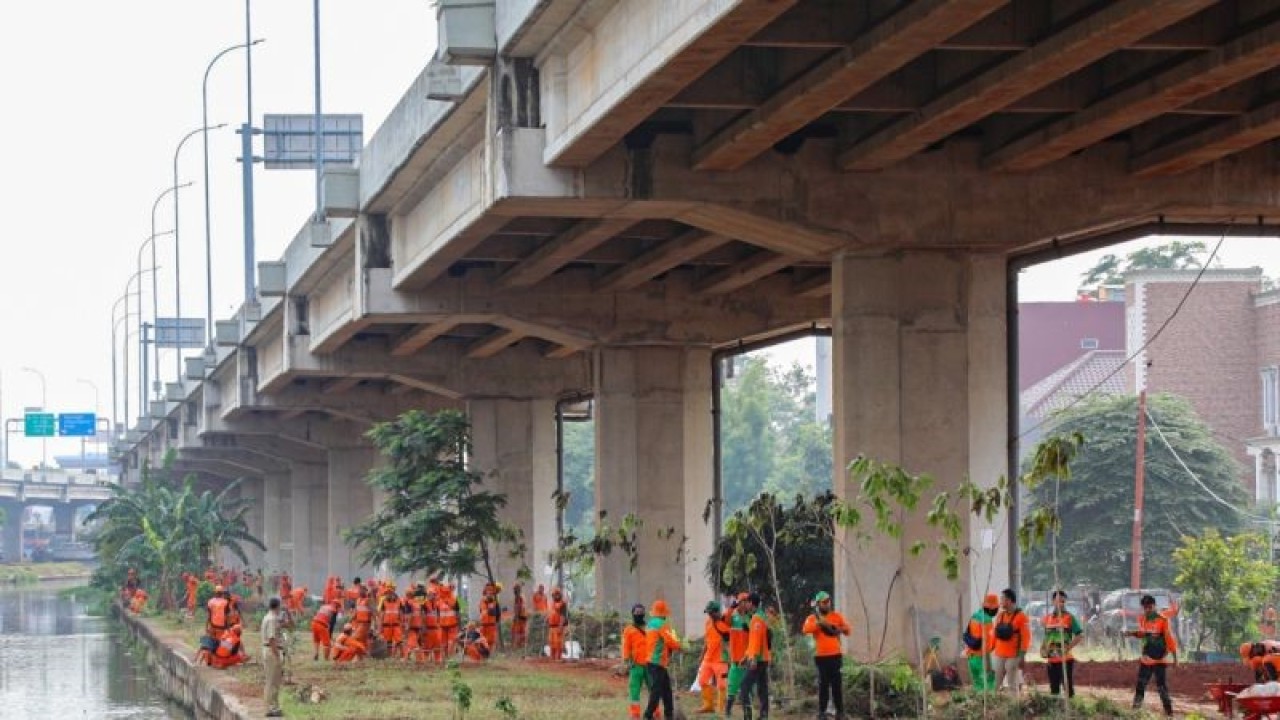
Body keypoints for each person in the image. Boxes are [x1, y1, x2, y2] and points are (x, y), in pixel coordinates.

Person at [802, 590, 851, 719]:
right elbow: (806, 629)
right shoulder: (812, 618)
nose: (827, 604)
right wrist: (819, 623)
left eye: (828, 601)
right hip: (821, 657)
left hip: (836, 656)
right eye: (824, 602)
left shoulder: (836, 616)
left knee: (837, 685)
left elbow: (848, 630)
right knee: (823, 685)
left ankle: (840, 712)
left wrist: (834, 627)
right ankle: (822, 712)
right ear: (818, 604)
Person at [1129, 593, 1177, 717]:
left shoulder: (1162, 619)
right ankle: (1135, 712)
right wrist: (1132, 633)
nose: (1147, 609)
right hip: (1146, 658)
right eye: (1145, 607)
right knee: (1140, 685)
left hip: (1159, 660)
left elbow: (1169, 638)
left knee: (1162, 687)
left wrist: (1175, 658)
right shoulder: (1142, 619)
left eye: (1150, 607)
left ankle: (1169, 714)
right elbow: (1144, 634)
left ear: (1154, 606)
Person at [642, 599, 681, 720]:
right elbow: (670, 641)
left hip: (652, 661)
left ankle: (669, 714)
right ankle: (648, 715)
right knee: (657, 690)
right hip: (657, 661)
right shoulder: (662, 625)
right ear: (664, 614)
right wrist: (679, 646)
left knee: (666, 689)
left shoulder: (650, 624)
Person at [1041, 589, 1084, 698]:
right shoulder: (1047, 619)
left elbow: (1080, 635)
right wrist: (1044, 648)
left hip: (1065, 659)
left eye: (1063, 602)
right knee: (1054, 688)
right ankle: (1056, 710)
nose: (1061, 604)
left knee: (1067, 687)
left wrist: (1068, 648)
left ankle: (1071, 709)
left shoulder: (1069, 618)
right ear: (1053, 601)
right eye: (1058, 601)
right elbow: (1047, 637)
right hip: (1051, 659)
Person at [738, 592, 771, 720]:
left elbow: (756, 642)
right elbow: (754, 642)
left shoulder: (757, 619)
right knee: (762, 688)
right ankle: (764, 716)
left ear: (751, 603)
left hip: (758, 659)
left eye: (746, 602)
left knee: (744, 687)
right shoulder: (759, 617)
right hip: (761, 658)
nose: (744, 605)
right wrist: (746, 657)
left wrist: (753, 659)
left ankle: (748, 717)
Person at [990, 588, 1029, 694]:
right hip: (999, 653)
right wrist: (990, 648)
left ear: (1009, 600)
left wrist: (1022, 655)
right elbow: (994, 633)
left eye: (1002, 599)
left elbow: (1026, 637)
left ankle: (1014, 705)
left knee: (1011, 680)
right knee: (996, 680)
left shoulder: (1022, 617)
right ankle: (992, 700)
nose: (1000, 601)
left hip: (1014, 654)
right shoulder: (1000, 616)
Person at [696, 600, 731, 714]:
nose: (710, 615)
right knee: (702, 681)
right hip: (708, 658)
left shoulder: (724, 625)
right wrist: (702, 656)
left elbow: (730, 640)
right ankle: (708, 705)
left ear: (717, 612)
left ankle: (720, 709)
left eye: (711, 613)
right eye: (708, 613)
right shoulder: (708, 623)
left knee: (721, 685)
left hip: (721, 660)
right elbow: (707, 641)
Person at [963, 593, 999, 692]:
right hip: (982, 657)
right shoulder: (987, 620)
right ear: (991, 608)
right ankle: (988, 701)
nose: (997, 611)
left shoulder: (974, 616)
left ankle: (978, 701)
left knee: (977, 682)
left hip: (971, 656)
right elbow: (988, 643)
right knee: (988, 681)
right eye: (996, 608)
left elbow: (968, 633)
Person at [724, 594, 750, 719]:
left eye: (746, 602)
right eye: (742, 602)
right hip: (735, 660)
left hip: (747, 660)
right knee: (732, 688)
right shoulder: (733, 618)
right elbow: (725, 621)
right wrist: (731, 608)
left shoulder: (750, 618)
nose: (744, 604)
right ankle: (727, 712)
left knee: (746, 690)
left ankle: (747, 714)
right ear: (738, 603)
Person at [547, 587, 569, 661]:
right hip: (552, 626)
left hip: (558, 626)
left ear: (560, 595)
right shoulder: (552, 604)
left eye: (557, 594)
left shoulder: (562, 604)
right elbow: (550, 614)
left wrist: (560, 627)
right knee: (551, 642)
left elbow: (563, 616)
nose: (555, 596)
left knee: (558, 643)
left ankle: (558, 658)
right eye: (554, 595)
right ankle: (552, 657)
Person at [479, 582, 502, 651]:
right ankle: (484, 653)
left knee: (491, 641)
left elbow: (497, 614)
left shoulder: (494, 602)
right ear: (485, 591)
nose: (489, 592)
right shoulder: (482, 601)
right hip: (483, 624)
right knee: (483, 640)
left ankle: (489, 654)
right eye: (488, 591)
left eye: (491, 591)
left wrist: (497, 621)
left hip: (491, 624)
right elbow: (481, 611)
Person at [510, 582, 529, 650]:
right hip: (523, 616)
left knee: (517, 631)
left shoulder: (519, 597)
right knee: (521, 631)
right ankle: (521, 645)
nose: (514, 591)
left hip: (520, 617)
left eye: (515, 589)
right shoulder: (521, 596)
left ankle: (519, 646)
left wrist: (516, 616)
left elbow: (519, 607)